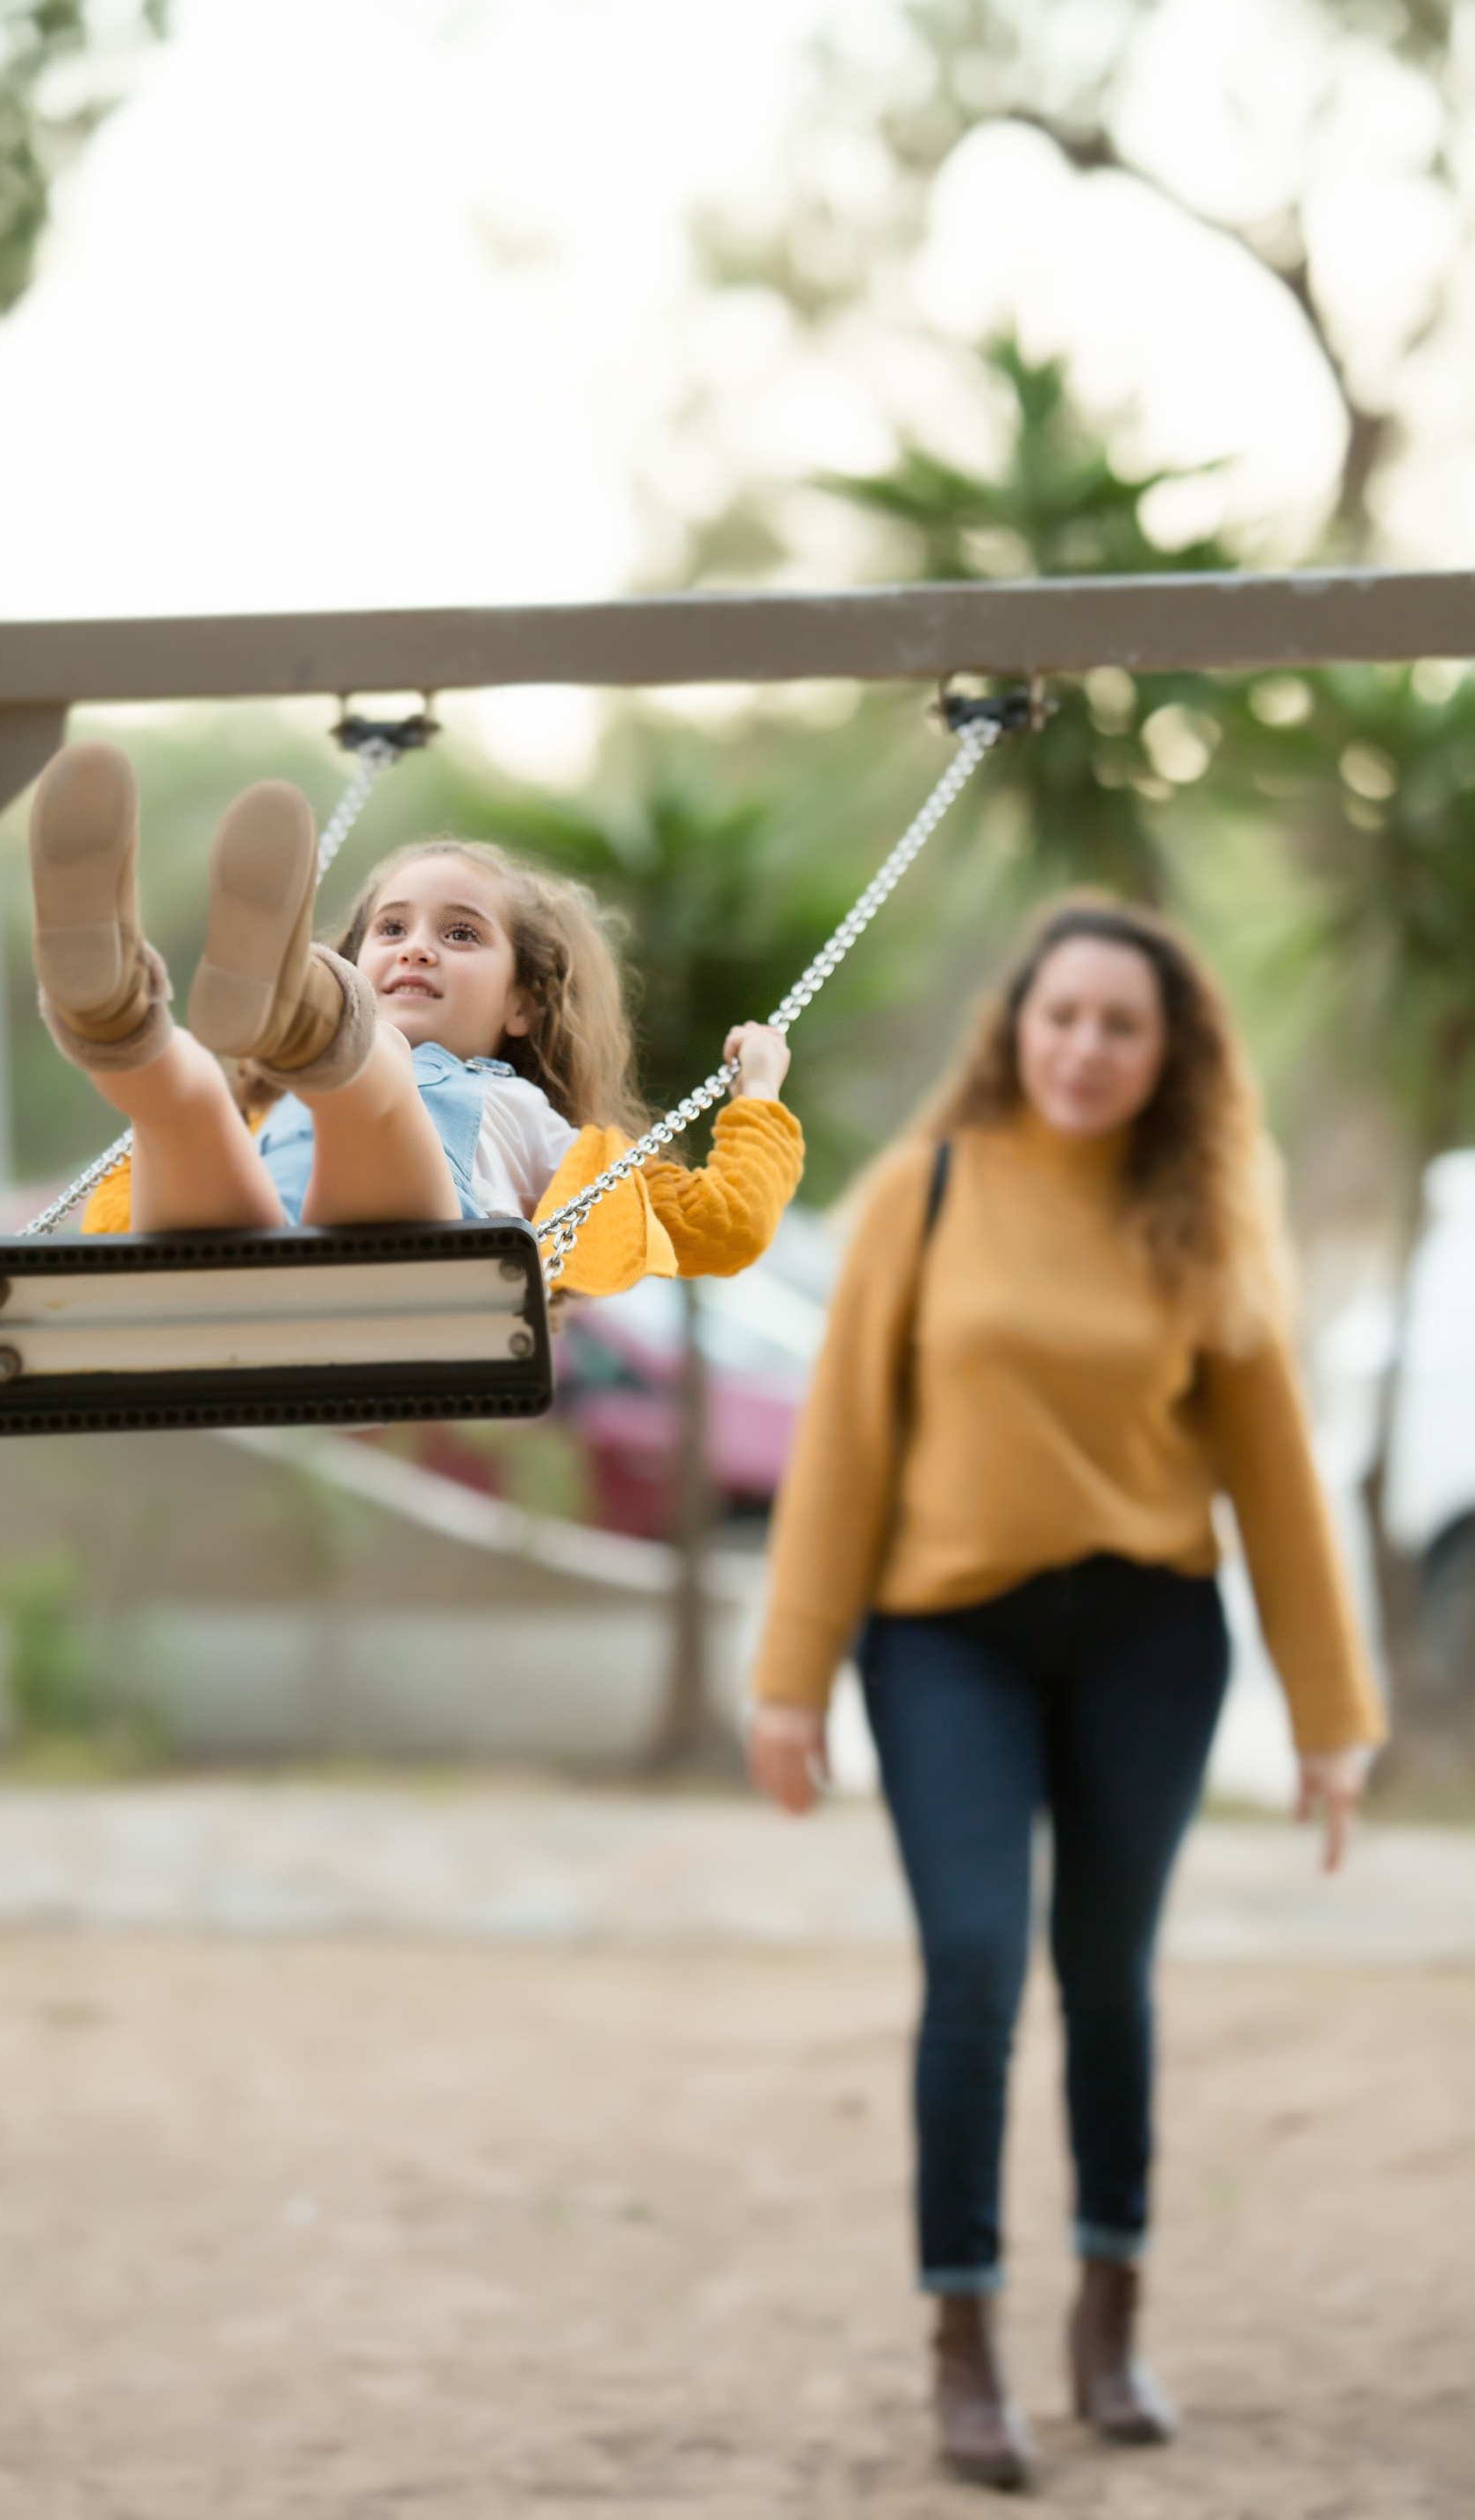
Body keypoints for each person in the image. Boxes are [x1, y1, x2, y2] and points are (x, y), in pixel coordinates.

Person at [745, 893, 1385, 2492]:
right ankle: (963, 2338)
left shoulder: (1208, 1214)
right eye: (1062, 1017)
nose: (1085, 1049)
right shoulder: (926, 1189)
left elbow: (1277, 1480)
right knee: (973, 1965)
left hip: (1146, 1640)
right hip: (943, 1636)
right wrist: (790, 1679)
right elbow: (842, 1447)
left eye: (1122, 1026)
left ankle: (1110, 2314)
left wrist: (1331, 1717)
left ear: (1170, 1056)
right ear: (1015, 1028)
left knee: (1108, 1976)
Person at [25, 742, 802, 1287]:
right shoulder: (264, 1113)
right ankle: (114, 1012)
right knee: (187, 1095)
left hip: (409, 1273)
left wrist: (759, 1092)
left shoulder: (538, 1129)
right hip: (237, 1260)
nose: (418, 949)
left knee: (374, 1074)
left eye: (461, 934)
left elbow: (725, 1225)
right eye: (390, 930)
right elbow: (124, 1211)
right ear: (358, 958)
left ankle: (312, 1016)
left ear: (524, 1003)